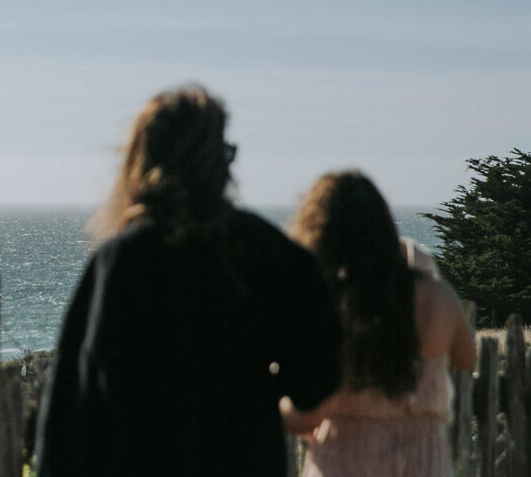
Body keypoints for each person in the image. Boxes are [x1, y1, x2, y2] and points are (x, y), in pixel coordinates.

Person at [36, 85, 344, 477]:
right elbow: (317, 375)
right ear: (218, 163)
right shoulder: (265, 252)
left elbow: (71, 414)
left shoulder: (121, 262)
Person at [282, 171, 477, 477]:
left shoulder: (329, 305)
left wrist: (278, 399)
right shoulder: (437, 296)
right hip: (424, 464)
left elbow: (307, 418)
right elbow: (467, 358)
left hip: (346, 461)